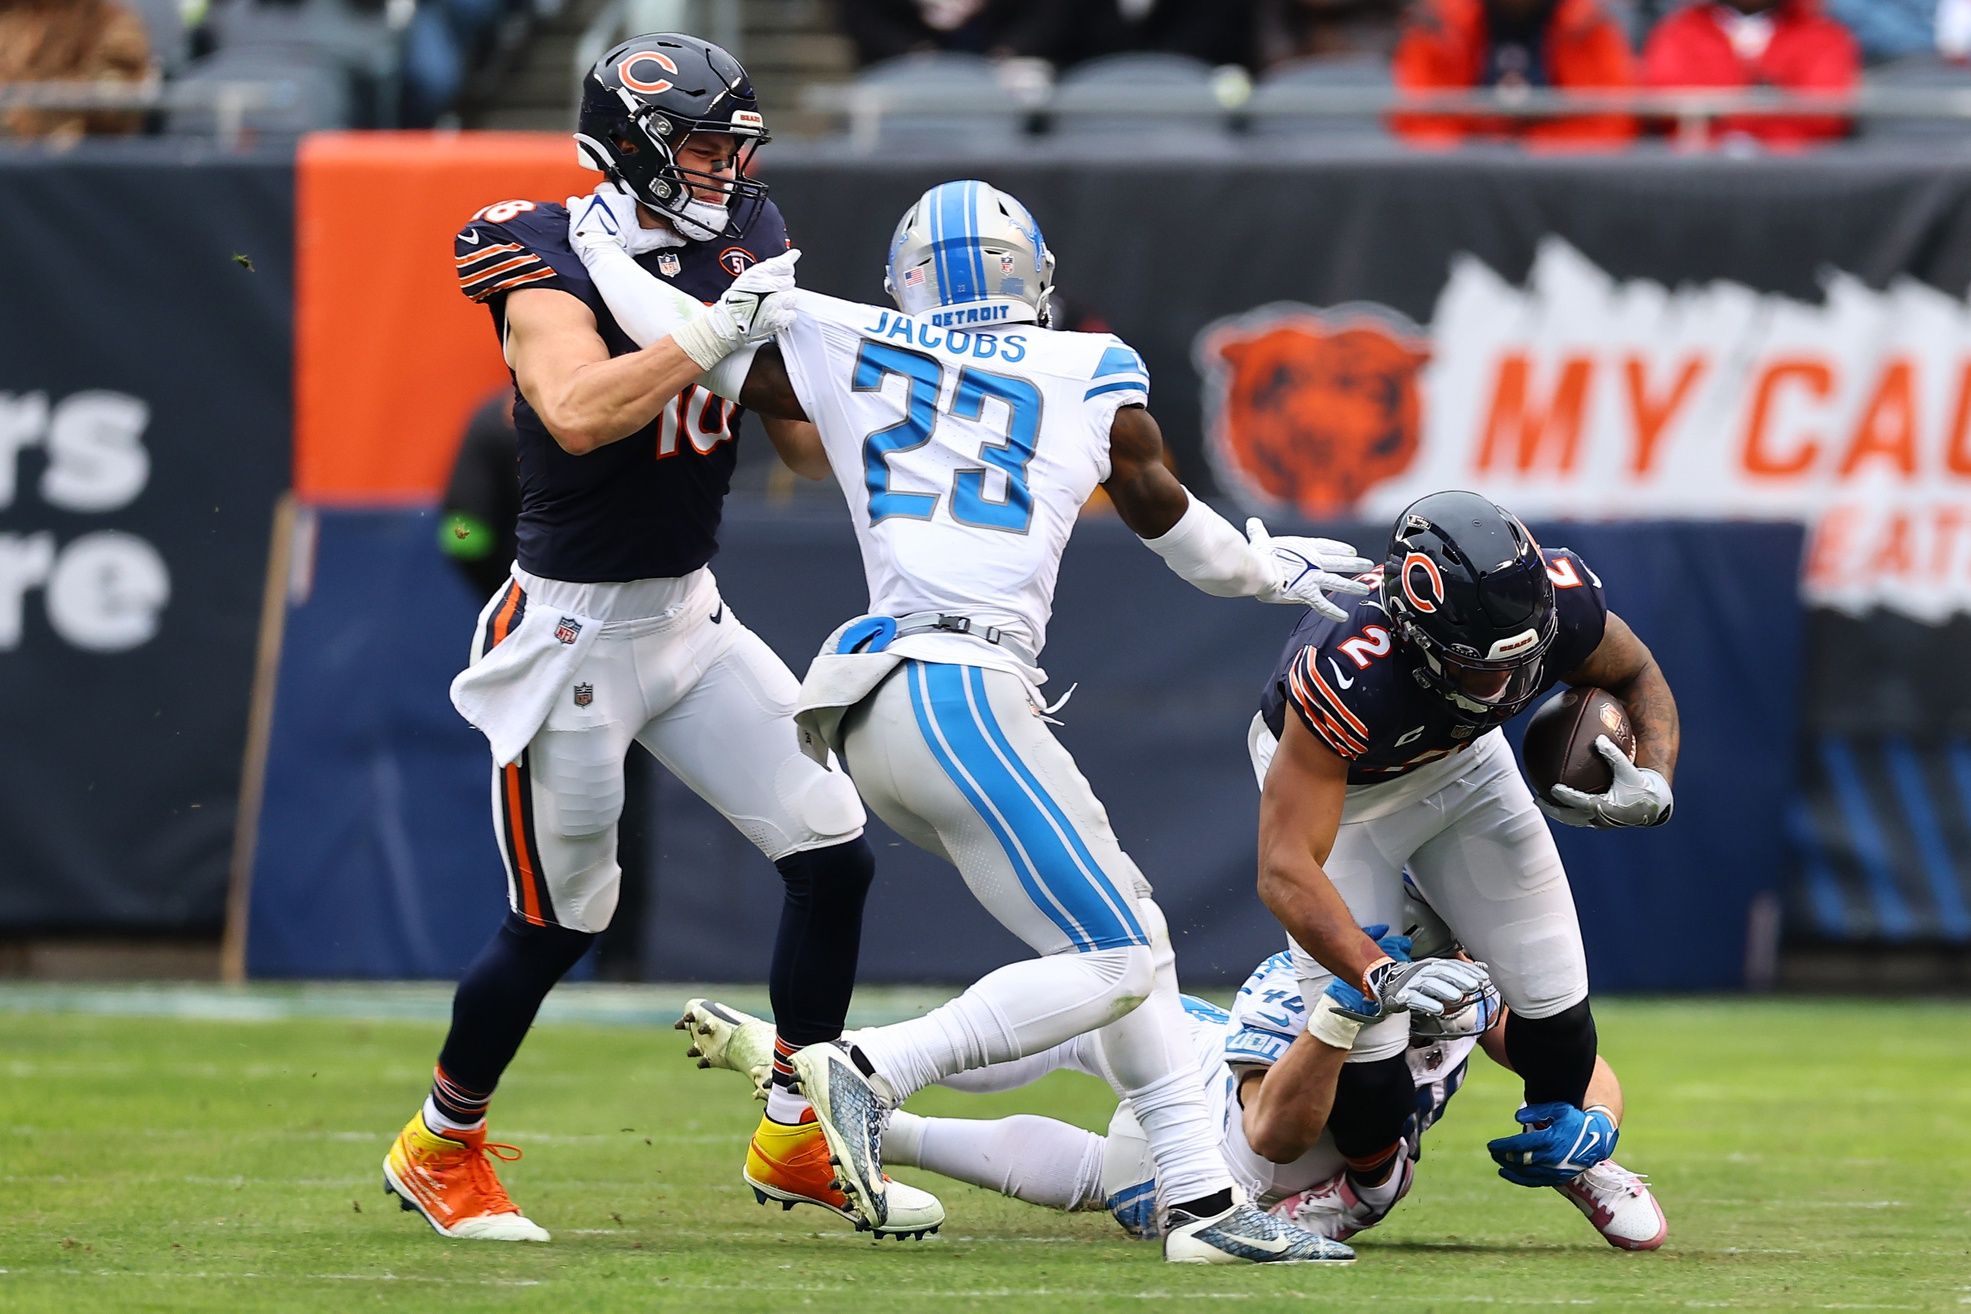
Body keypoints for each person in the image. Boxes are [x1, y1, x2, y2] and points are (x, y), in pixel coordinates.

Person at [584, 177, 1505, 1262]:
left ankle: (1204, 1209)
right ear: (1038, 282)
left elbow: (686, 342)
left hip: (874, 695)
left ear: (908, 283)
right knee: (1125, 954)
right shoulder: (1088, 369)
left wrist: (603, 256)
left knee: (1128, 957)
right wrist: (1270, 568)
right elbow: (1171, 517)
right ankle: (866, 1068)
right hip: (965, 684)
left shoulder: (851, 337)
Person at [381, 33, 920, 1242]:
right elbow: (575, 412)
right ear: (630, 142)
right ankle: (440, 1143)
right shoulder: (533, 242)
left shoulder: (749, 229)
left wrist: (879, 374)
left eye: (739, 146)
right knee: (562, 919)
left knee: (834, 854)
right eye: (704, 145)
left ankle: (794, 1134)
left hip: (687, 612)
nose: (730, 169)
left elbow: (789, 428)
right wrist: (724, 327)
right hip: (568, 635)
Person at [678, 894, 1664, 1249]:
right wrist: (1339, 1013)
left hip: (1251, 1139)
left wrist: (1597, 1128)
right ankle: (838, 1077)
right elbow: (1275, 1129)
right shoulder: (1304, 972)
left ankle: (825, 1081)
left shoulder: (1468, 973)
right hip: (1233, 1166)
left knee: (1082, 1023)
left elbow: (1573, 1061)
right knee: (1094, 1062)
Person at [1248, 491, 1679, 1233]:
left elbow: (1636, 673)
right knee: (1371, 1061)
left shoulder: (1560, 602)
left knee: (1552, 995)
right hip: (1346, 801)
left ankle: (1566, 1143)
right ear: (1415, 630)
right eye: (1475, 668)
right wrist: (1380, 972)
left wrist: (1657, 777)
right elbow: (1283, 866)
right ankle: (1367, 1185)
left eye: (1521, 662)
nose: (1503, 689)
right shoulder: (1347, 669)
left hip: (1463, 772)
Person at [1391, 0, 1639, 146]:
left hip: (1561, 186)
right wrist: (1481, 151)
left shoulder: (1589, 25)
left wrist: (1527, 149)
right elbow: (1416, 124)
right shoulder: (1438, 23)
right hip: (1456, 188)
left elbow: (1612, 126)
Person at [1641, 0, 1860, 146]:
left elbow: (1825, 114)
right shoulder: (1679, 30)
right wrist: (1764, 102)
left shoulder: (1824, 35)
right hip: (1698, 172)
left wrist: (1724, 109)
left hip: (1796, 175)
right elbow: (1663, 101)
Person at [0, 0, 150, 140]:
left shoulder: (110, 21)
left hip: (72, 153)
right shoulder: (10, 13)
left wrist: (35, 110)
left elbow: (114, 105)